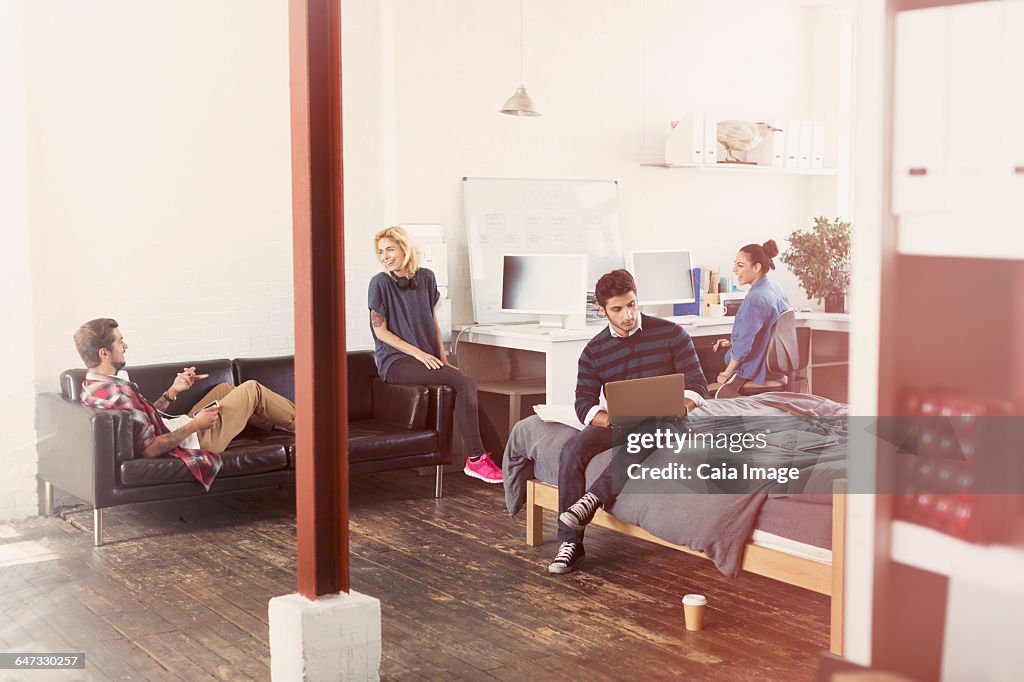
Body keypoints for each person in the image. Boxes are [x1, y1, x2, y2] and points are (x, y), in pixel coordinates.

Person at [548, 269, 708, 574]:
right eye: (618, 309)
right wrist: (611, 419)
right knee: (572, 449)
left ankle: (589, 502)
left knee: (650, 431)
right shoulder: (594, 351)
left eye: (632, 305)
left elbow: (699, 385)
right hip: (620, 421)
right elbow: (583, 403)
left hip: (665, 421)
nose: (628, 316)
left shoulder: (672, 334)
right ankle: (570, 544)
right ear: (602, 310)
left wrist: (681, 406)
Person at [73, 318, 297, 491]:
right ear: (104, 353)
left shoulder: (95, 385)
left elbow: (147, 418)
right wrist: (195, 425)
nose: (125, 345)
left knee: (225, 390)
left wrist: (173, 391)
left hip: (178, 427)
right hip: (194, 441)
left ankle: (278, 423)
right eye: (120, 341)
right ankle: (307, 427)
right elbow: (150, 448)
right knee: (252, 389)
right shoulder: (117, 394)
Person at [368, 226, 502, 484]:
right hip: (395, 363)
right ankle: (476, 460)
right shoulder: (380, 283)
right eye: (381, 252)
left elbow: (432, 320)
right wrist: (419, 354)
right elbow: (380, 332)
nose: (385, 256)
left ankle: (504, 460)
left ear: (404, 248)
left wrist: (443, 357)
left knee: (466, 386)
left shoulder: (426, 278)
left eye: (390, 249)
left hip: (426, 358)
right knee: (466, 383)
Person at [712, 239, 791, 399]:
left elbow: (744, 346)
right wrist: (733, 343)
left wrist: (726, 374)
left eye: (740, 265)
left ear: (756, 267)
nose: (734, 270)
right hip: (773, 365)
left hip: (756, 369)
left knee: (702, 361)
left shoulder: (756, 298)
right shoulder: (774, 287)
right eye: (735, 264)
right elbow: (766, 332)